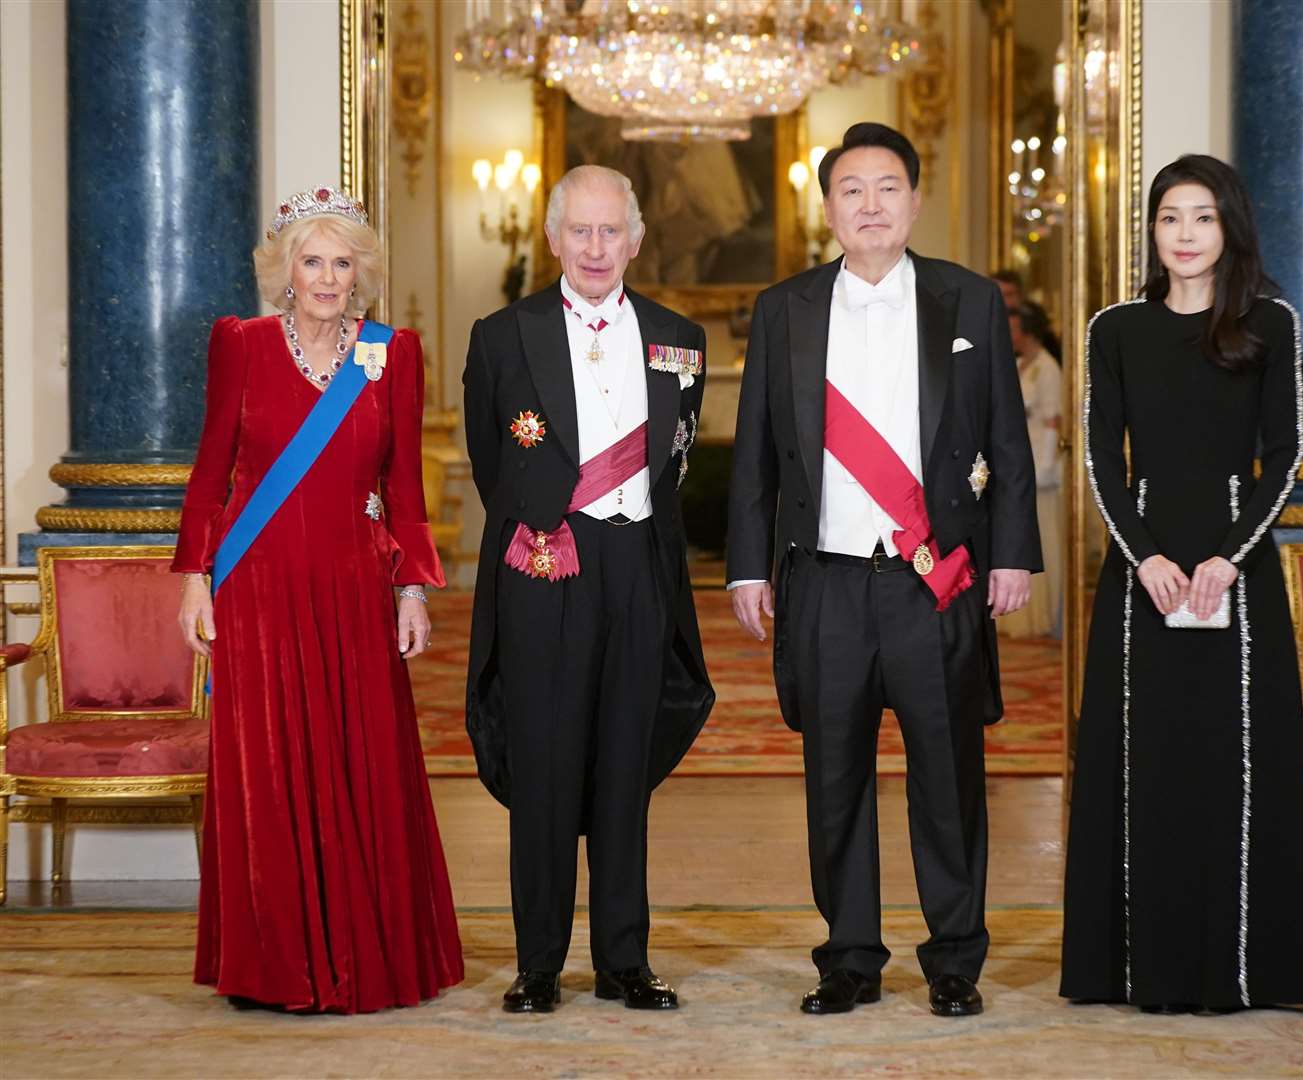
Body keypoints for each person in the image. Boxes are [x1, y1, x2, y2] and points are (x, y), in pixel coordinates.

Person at [727, 123, 1041, 1018]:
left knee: (948, 776)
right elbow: (754, 455)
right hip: (823, 580)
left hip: (934, 577)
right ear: (827, 207)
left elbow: (1007, 441)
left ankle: (953, 960)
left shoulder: (970, 301)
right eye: (852, 190)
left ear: (914, 199)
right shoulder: (783, 306)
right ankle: (849, 959)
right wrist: (749, 569)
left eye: (888, 187)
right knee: (835, 779)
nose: (870, 204)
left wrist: (1013, 550)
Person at [174, 186, 463, 1013]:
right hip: (258, 588)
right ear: (285, 271)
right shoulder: (242, 345)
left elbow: (404, 487)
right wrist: (195, 580)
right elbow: (208, 475)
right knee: (268, 767)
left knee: (359, 760)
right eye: (313, 261)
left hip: (352, 587)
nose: (329, 278)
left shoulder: (391, 352)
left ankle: (363, 957)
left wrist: (413, 586)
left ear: (360, 274)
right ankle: (272, 965)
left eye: (343, 262)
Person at [1061, 154, 1303, 1012]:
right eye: (1170, 217)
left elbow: (1285, 457)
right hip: (1142, 577)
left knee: (1232, 766)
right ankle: (1135, 968)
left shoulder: (1271, 324)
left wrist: (1228, 556)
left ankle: (1247, 968)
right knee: (1147, 765)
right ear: (1152, 229)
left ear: (1230, 228)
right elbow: (1103, 461)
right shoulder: (1115, 328)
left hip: (1234, 578)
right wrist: (1144, 556)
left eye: (1203, 217)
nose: (1184, 234)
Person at [463, 165, 714, 1013]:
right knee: (543, 765)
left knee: (622, 768)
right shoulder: (502, 335)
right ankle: (538, 964)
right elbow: (491, 464)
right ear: (553, 238)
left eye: (612, 232)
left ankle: (623, 962)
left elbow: (676, 458)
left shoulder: (681, 337)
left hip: (639, 568)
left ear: (637, 239)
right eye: (581, 231)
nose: (597, 247)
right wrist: (543, 521)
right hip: (546, 567)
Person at [998, 301, 1064, 637]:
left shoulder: (1048, 368)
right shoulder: (1022, 364)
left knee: (1043, 538)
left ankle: (1043, 614)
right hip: (1020, 458)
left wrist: (1046, 466)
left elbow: (1054, 422)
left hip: (1041, 462)